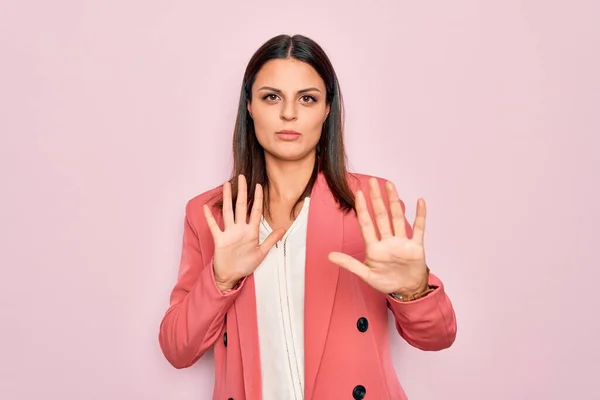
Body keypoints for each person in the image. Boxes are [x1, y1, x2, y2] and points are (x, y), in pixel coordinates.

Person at [158, 33, 457, 400]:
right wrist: (220, 279)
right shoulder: (212, 214)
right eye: (271, 97)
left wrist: (413, 291)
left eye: (307, 98)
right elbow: (177, 350)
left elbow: (438, 337)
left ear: (327, 108)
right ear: (249, 106)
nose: (289, 113)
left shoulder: (370, 203)